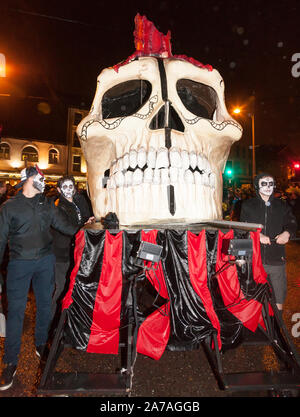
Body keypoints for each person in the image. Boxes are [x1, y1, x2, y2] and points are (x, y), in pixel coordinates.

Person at [0, 165, 78, 391]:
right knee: (15, 312)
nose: (43, 181)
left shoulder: (46, 204)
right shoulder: (9, 207)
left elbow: (68, 227)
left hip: (45, 262)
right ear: (27, 180)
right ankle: (10, 362)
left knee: (45, 305)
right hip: (19, 264)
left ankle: (41, 343)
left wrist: (92, 226)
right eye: (39, 177)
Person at [240, 173, 297, 313]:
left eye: (270, 183)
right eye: (264, 183)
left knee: (278, 298)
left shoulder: (282, 205)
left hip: (276, 259)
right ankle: (258, 331)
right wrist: (257, 235)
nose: (268, 187)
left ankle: (276, 332)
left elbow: (292, 223)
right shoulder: (247, 205)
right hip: (255, 260)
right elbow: (241, 228)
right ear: (257, 186)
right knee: (253, 300)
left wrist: (287, 233)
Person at [51, 176, 94, 328]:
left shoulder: (77, 202)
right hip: (62, 255)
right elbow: (67, 227)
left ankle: (69, 323)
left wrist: (87, 222)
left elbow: (87, 217)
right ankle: (52, 325)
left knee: (74, 288)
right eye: (65, 187)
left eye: (71, 186)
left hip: (76, 251)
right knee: (61, 289)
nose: (69, 189)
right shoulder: (58, 206)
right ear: (58, 190)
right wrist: (83, 226)